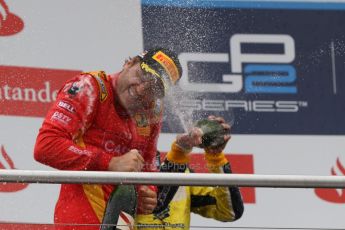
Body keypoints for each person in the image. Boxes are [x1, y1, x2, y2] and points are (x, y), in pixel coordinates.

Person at [34, 47, 183, 230]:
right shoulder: (89, 87)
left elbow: (148, 164)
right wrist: (110, 162)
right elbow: (46, 145)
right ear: (129, 63)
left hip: (122, 222)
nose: (142, 88)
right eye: (143, 75)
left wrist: (148, 192)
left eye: (153, 88)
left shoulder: (151, 110)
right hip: (81, 222)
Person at [135, 116, 244, 229]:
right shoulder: (122, 173)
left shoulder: (184, 176)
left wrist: (215, 157)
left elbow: (230, 212)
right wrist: (179, 152)